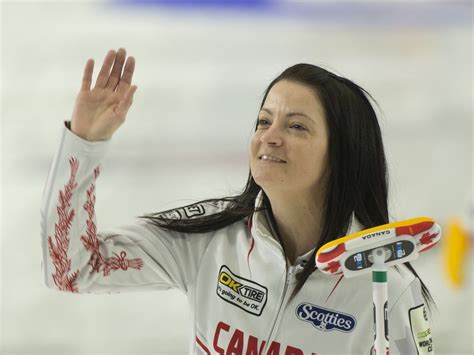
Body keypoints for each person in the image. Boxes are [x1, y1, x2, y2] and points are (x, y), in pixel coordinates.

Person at [41, 48, 435, 354]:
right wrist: (84, 143)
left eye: (296, 126)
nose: (270, 136)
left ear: (342, 155)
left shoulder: (386, 286)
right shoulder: (210, 237)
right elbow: (72, 268)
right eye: (264, 121)